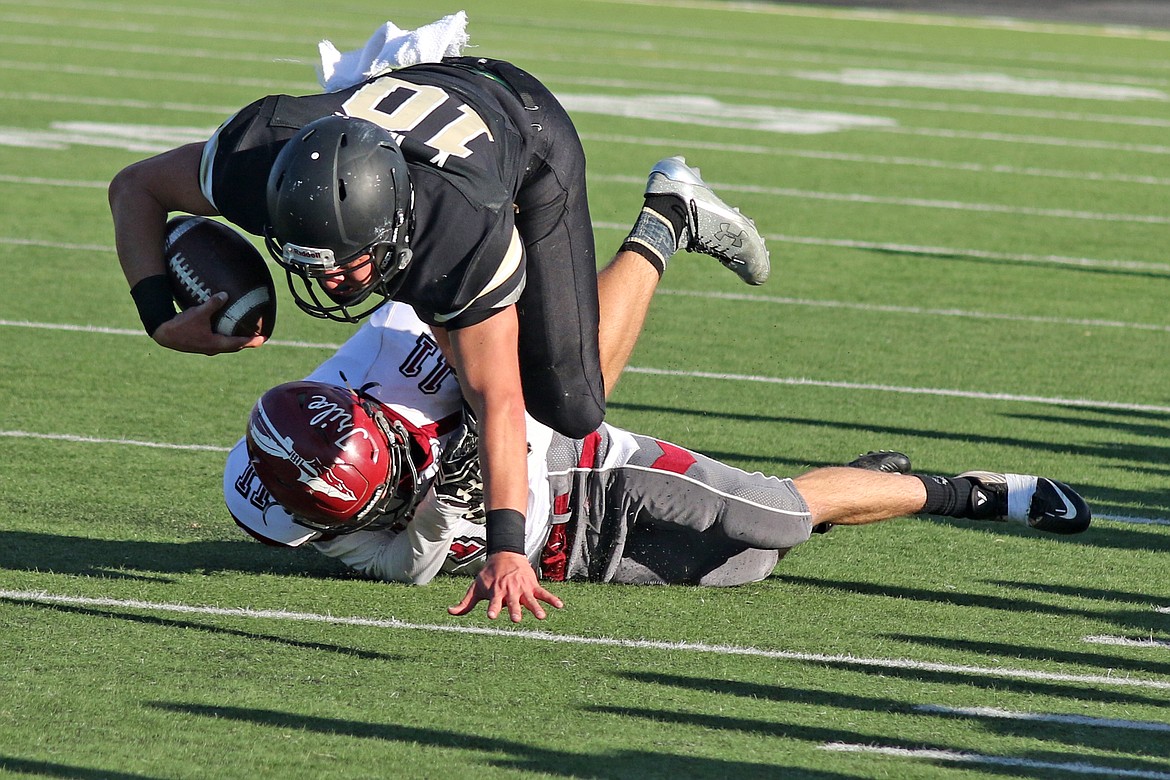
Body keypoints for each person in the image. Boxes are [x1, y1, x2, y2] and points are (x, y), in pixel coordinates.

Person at [107, 19, 770, 621]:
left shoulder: (454, 238)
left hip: (525, 132)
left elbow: (500, 397)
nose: (331, 283)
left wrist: (506, 547)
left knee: (567, 402)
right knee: (455, 336)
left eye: (349, 264)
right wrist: (158, 315)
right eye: (313, 263)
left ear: (393, 228)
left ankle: (668, 214)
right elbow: (134, 187)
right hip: (403, 124)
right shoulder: (254, 159)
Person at [225, 300, 1092, 604]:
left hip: (581, 472)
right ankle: (869, 484)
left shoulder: (399, 351)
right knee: (746, 567)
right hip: (561, 555)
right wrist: (448, 506)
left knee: (775, 520)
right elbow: (402, 564)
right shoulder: (278, 506)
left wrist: (476, 456)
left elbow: (522, 375)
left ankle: (970, 493)